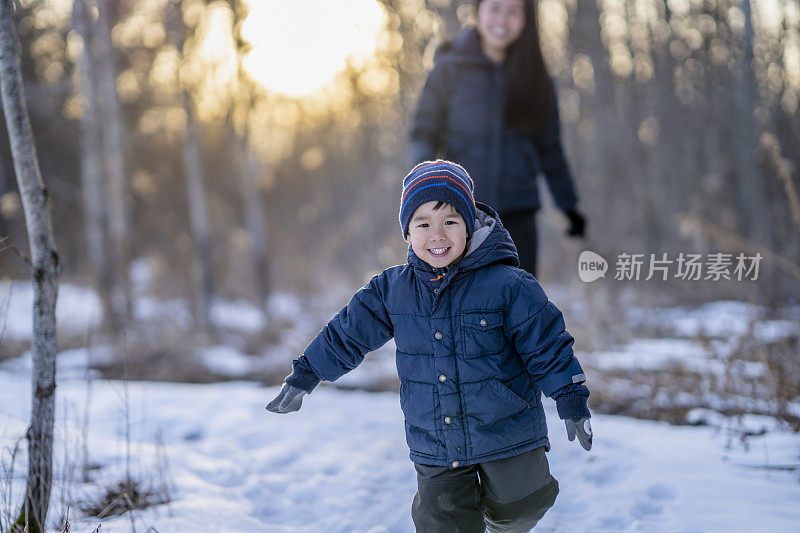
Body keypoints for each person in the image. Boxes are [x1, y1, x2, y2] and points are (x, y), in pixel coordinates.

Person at [267, 160, 592, 532]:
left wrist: (570, 397)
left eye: (450, 222)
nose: (437, 235)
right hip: (436, 437)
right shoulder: (392, 290)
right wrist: (306, 374)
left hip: (508, 429)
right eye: (423, 224)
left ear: (469, 225)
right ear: (407, 233)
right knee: (441, 523)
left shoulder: (509, 285)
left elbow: (546, 345)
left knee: (522, 506)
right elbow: (347, 333)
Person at [409, 0, 586, 277]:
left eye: (513, 11)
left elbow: (550, 148)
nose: (502, 20)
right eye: (495, 8)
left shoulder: (536, 77)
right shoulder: (449, 69)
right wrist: (423, 191)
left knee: (520, 305)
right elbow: (424, 133)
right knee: (461, 309)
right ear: (477, 10)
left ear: (527, 18)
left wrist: (569, 206)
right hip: (461, 214)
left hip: (519, 215)